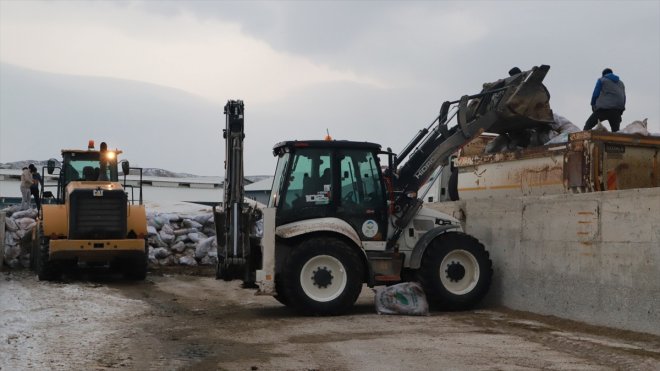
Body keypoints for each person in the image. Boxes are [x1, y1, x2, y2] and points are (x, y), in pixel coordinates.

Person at [584, 68, 626, 132]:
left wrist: (593, 104)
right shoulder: (621, 83)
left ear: (603, 75)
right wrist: (620, 111)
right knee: (616, 132)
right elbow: (624, 97)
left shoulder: (602, 80)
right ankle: (615, 141)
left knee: (587, 126)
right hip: (617, 111)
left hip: (603, 110)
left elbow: (595, 94)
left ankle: (582, 141)